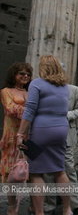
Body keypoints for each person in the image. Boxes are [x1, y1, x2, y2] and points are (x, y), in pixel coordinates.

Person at [16, 55, 71, 215]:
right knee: (60, 170)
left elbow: (30, 109)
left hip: (42, 130)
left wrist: (21, 133)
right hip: (61, 129)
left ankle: (39, 212)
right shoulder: (64, 87)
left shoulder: (37, 84)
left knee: (36, 173)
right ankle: (67, 210)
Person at [44, 82, 78, 215]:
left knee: (70, 171)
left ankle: (77, 205)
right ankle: (49, 206)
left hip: (66, 136)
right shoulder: (43, 88)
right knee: (48, 172)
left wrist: (67, 115)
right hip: (47, 134)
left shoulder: (73, 89)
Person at [0, 62, 32, 214]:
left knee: (27, 172)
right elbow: (11, 108)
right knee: (10, 173)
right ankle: (12, 205)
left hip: (29, 136)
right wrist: (31, 111)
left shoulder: (31, 92)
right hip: (11, 136)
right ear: (14, 75)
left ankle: (25, 203)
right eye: (22, 74)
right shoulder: (6, 91)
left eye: (27, 74)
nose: (25, 76)